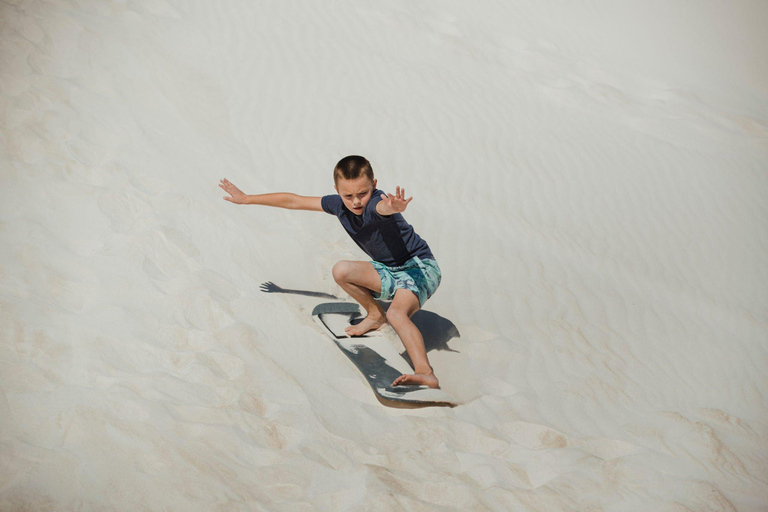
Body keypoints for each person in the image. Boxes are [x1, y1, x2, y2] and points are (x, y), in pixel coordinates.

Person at [219, 155, 442, 388]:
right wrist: (246, 199)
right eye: (348, 195)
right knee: (341, 271)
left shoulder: (377, 203)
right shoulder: (337, 204)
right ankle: (375, 315)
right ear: (337, 190)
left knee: (397, 314)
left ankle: (426, 373)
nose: (356, 201)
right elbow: (294, 200)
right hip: (389, 269)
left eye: (362, 193)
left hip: (419, 268)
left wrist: (394, 207)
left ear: (374, 185)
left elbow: (382, 208)